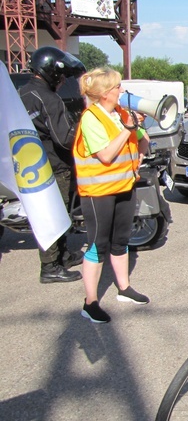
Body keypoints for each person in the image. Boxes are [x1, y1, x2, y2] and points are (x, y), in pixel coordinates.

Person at [73, 67, 151, 323]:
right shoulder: (90, 118)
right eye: (118, 87)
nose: (122, 91)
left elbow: (143, 140)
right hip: (98, 192)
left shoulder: (121, 113)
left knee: (121, 240)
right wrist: (127, 129)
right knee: (98, 244)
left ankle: (124, 288)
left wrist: (141, 145)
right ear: (105, 93)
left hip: (124, 187)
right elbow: (106, 155)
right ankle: (90, 302)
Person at [19, 46, 86, 284]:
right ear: (52, 72)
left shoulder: (23, 93)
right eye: (62, 75)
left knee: (53, 214)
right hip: (55, 166)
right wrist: (82, 129)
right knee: (54, 215)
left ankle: (63, 255)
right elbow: (64, 138)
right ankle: (50, 267)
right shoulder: (50, 99)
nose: (63, 80)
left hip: (33, 165)